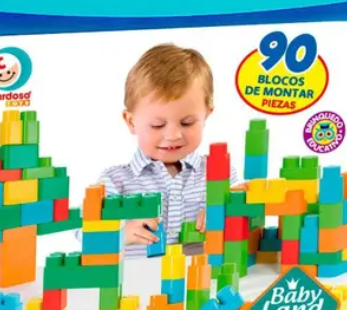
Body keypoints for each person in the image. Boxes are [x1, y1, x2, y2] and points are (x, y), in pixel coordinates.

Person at [96, 44, 240, 255]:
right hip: (138, 275)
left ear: (206, 115)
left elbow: (248, 217)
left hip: (202, 273)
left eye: (187, 123)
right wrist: (121, 233)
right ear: (131, 121)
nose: (173, 135)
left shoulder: (221, 174)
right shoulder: (115, 181)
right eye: (158, 125)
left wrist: (227, 214)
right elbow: (83, 231)